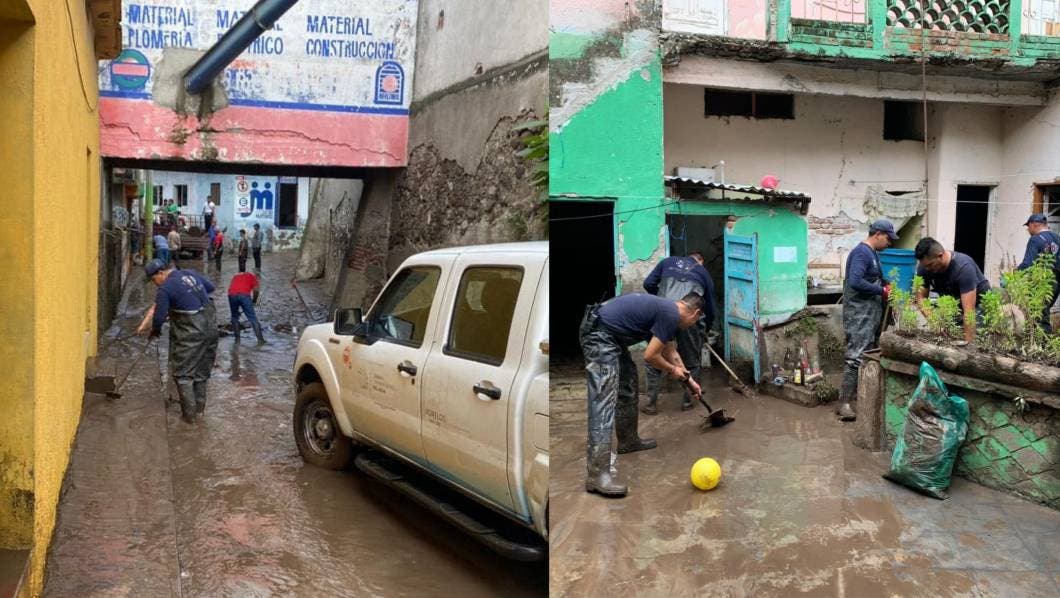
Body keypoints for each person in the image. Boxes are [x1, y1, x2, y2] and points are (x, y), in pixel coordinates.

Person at [580, 292, 706, 497]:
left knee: (627, 383)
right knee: (603, 399)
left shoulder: (668, 311)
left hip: (611, 336)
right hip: (599, 334)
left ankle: (628, 440)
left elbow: (671, 353)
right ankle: (596, 475)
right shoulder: (670, 314)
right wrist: (673, 371)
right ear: (696, 313)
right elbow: (650, 356)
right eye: (694, 322)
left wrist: (690, 382)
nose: (691, 326)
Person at [136, 259, 219, 424]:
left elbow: (159, 318)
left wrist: (155, 331)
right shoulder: (190, 273)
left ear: (161, 273)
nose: (155, 284)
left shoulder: (165, 289)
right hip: (212, 329)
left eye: (154, 280)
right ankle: (200, 413)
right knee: (201, 374)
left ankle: (189, 419)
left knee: (183, 375)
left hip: (192, 332)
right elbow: (210, 288)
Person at [837, 219, 897, 422]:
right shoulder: (862, 253)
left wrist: (887, 285)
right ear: (878, 234)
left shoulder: (873, 254)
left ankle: (858, 398)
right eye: (888, 238)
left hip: (869, 313)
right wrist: (881, 290)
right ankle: (844, 403)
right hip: (859, 313)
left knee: (866, 354)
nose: (889, 243)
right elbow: (855, 281)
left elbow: (873, 278)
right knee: (856, 356)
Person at [641, 251, 716, 413]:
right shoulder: (703, 272)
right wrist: (705, 330)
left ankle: (651, 404)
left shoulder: (667, 262)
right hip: (690, 315)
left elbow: (648, 283)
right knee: (691, 360)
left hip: (663, 310)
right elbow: (709, 308)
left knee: (655, 356)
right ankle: (688, 402)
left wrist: (661, 298)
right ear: (700, 261)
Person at [914, 237, 991, 344]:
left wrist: (968, 349)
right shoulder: (925, 267)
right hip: (954, 301)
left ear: (940, 256)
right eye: (925, 265)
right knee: (947, 336)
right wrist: (934, 321)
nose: (927, 269)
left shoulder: (963, 268)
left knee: (975, 340)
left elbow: (969, 313)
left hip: (979, 303)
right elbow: (920, 298)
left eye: (930, 265)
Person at [1017, 214, 1060, 332]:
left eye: (1028, 226)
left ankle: (1042, 345)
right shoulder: (1057, 238)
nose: (1028, 229)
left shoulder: (1035, 239)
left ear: (1033, 224)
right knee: (1043, 312)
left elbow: (1027, 264)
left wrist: (1014, 274)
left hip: (1041, 281)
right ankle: (1038, 342)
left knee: (1039, 316)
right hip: (1056, 282)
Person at [228, 270, 266, 344]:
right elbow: (256, 290)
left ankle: (237, 340)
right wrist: (254, 300)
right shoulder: (253, 277)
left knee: (234, 317)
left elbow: (233, 287)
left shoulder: (236, 276)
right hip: (244, 295)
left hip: (231, 295)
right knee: (253, 318)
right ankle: (261, 340)